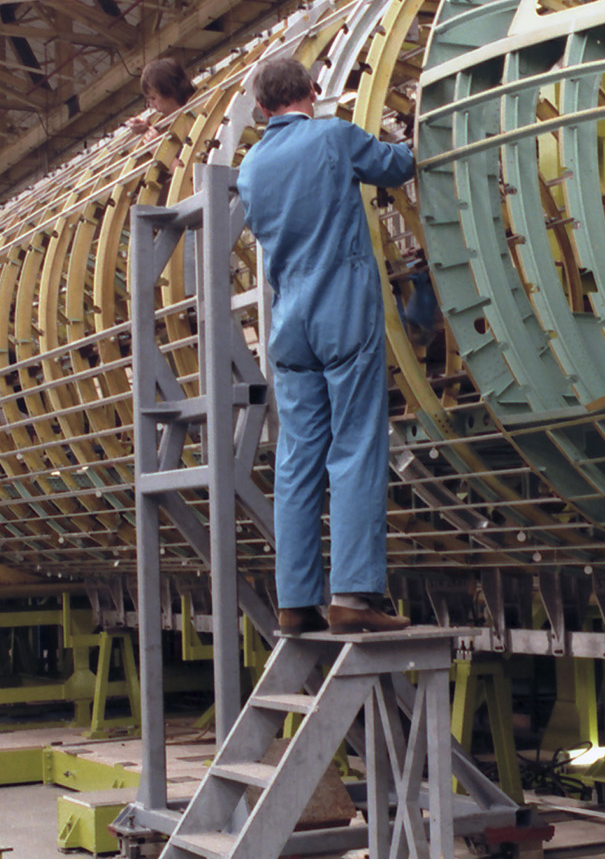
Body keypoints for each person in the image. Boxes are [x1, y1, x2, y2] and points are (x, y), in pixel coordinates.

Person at [237, 56, 415, 635]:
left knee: (296, 460)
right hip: (341, 311)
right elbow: (397, 166)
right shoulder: (333, 137)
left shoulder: (252, 167)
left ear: (262, 109)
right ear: (313, 91)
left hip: (289, 324)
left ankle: (295, 601)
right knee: (357, 444)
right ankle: (354, 598)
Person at [127, 57, 194, 141]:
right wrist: (145, 129)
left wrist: (158, 149)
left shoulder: (202, 112)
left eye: (153, 98)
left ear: (169, 91)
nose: (152, 106)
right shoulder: (174, 123)